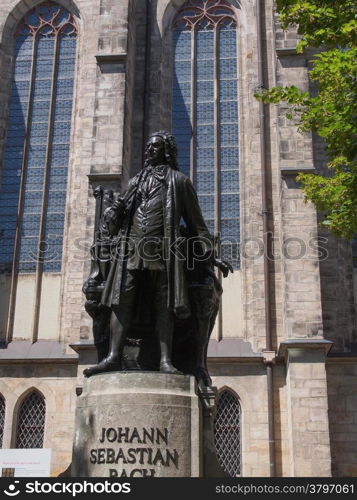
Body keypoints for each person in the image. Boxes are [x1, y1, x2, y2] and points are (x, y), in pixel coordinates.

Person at [84, 131, 214, 377]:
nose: (149, 151)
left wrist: (209, 253)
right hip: (131, 251)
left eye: (154, 147)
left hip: (163, 253)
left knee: (164, 305)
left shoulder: (180, 182)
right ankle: (113, 357)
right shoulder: (135, 182)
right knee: (121, 300)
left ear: (166, 151)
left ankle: (166, 360)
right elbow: (119, 213)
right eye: (148, 147)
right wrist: (113, 213)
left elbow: (197, 225)